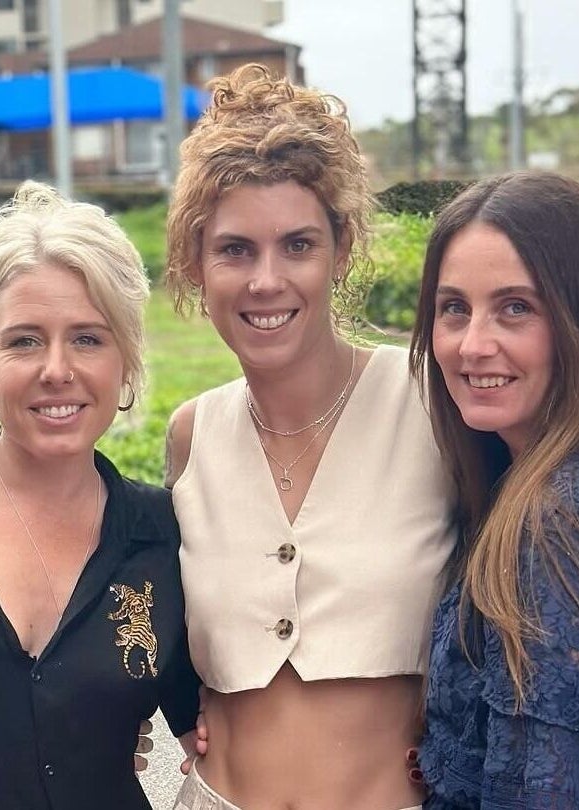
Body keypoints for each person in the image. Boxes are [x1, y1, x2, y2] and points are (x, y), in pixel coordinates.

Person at [164, 64, 455, 809]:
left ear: (340, 248)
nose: (266, 281)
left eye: (297, 245)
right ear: (196, 263)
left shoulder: (431, 402)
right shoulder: (191, 436)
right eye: (234, 249)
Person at [0, 182, 200, 810]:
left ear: (126, 361)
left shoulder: (164, 531)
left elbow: (219, 723)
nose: (57, 369)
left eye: (88, 338)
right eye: (24, 340)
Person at [409, 171, 579, 807]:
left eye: (516, 308)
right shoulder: (508, 480)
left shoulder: (554, 519)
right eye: (454, 308)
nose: (474, 345)